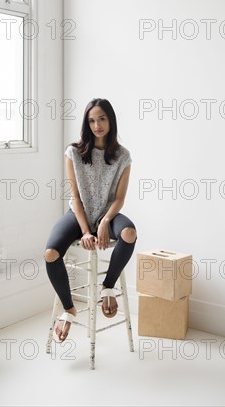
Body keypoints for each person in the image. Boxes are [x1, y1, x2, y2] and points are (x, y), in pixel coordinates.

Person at [44, 98, 137, 342]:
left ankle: (107, 286)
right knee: (51, 253)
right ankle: (69, 309)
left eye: (102, 119)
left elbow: (119, 198)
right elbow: (74, 196)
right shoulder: (73, 152)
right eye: (92, 120)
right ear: (87, 123)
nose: (97, 125)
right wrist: (86, 231)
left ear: (111, 120)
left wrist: (105, 221)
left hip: (109, 213)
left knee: (129, 233)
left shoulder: (123, 156)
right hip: (78, 215)